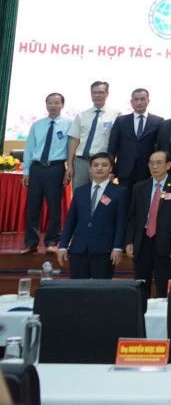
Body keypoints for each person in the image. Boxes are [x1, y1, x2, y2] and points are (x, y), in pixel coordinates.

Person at [125, 150, 171, 298]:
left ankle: (164, 317)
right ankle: (141, 317)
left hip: (166, 242)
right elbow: (132, 217)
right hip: (142, 241)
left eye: (159, 162)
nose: (154, 166)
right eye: (151, 163)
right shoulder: (139, 187)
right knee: (141, 285)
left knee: (163, 285)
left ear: (168, 165)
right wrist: (129, 241)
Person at [56, 152, 127, 278]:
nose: (99, 168)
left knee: (100, 290)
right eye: (95, 165)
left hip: (104, 249)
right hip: (79, 248)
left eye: (104, 165)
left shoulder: (119, 192)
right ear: (90, 168)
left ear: (110, 168)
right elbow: (70, 221)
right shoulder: (80, 191)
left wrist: (118, 247)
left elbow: (121, 222)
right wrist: (63, 246)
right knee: (78, 290)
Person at [22, 92, 70, 254]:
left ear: (62, 105)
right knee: (33, 207)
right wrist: (26, 171)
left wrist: (68, 170)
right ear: (46, 104)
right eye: (50, 102)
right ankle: (31, 242)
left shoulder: (69, 124)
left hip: (56, 168)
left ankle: (52, 241)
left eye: (56, 102)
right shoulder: (37, 125)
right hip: (36, 168)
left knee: (54, 206)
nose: (53, 106)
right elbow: (29, 149)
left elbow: (71, 149)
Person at [108, 87, 163, 197]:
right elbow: (112, 146)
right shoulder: (121, 120)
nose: (139, 102)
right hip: (124, 169)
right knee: (124, 200)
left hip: (147, 170)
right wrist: (111, 170)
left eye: (142, 99)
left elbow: (159, 148)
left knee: (143, 201)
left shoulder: (158, 121)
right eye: (136, 99)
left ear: (148, 100)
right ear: (131, 102)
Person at [66, 81, 118, 190]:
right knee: (79, 195)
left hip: (101, 164)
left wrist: (113, 168)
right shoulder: (81, 115)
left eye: (100, 92)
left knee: (100, 196)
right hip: (81, 163)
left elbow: (117, 143)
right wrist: (70, 165)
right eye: (94, 92)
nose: (97, 95)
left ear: (107, 93)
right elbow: (75, 141)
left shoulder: (116, 115)